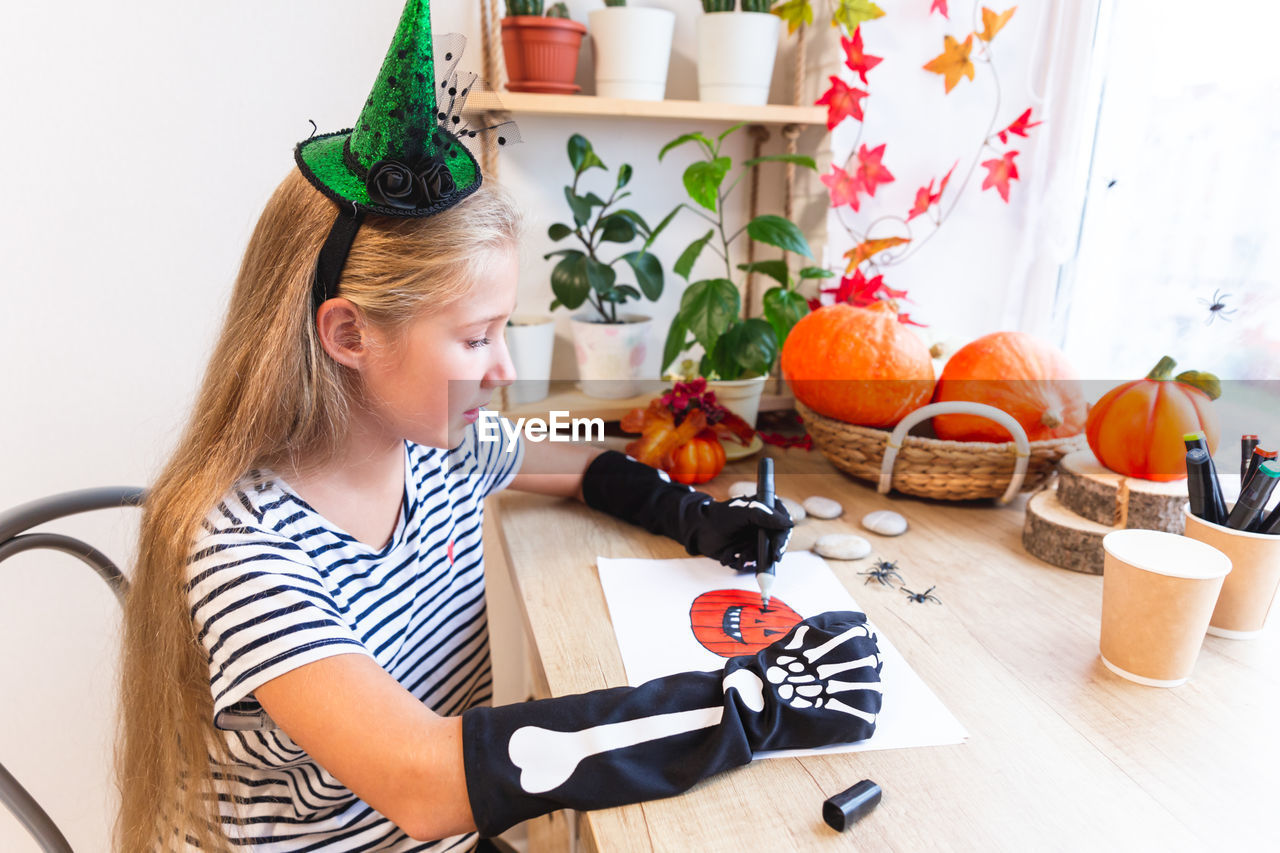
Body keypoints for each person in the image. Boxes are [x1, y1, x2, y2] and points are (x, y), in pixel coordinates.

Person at [115, 3, 884, 851]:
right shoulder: (246, 551)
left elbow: (577, 465)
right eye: (477, 336)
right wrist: (750, 702)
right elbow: (422, 779)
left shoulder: (440, 441)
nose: (505, 369)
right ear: (347, 335)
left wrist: (692, 514)